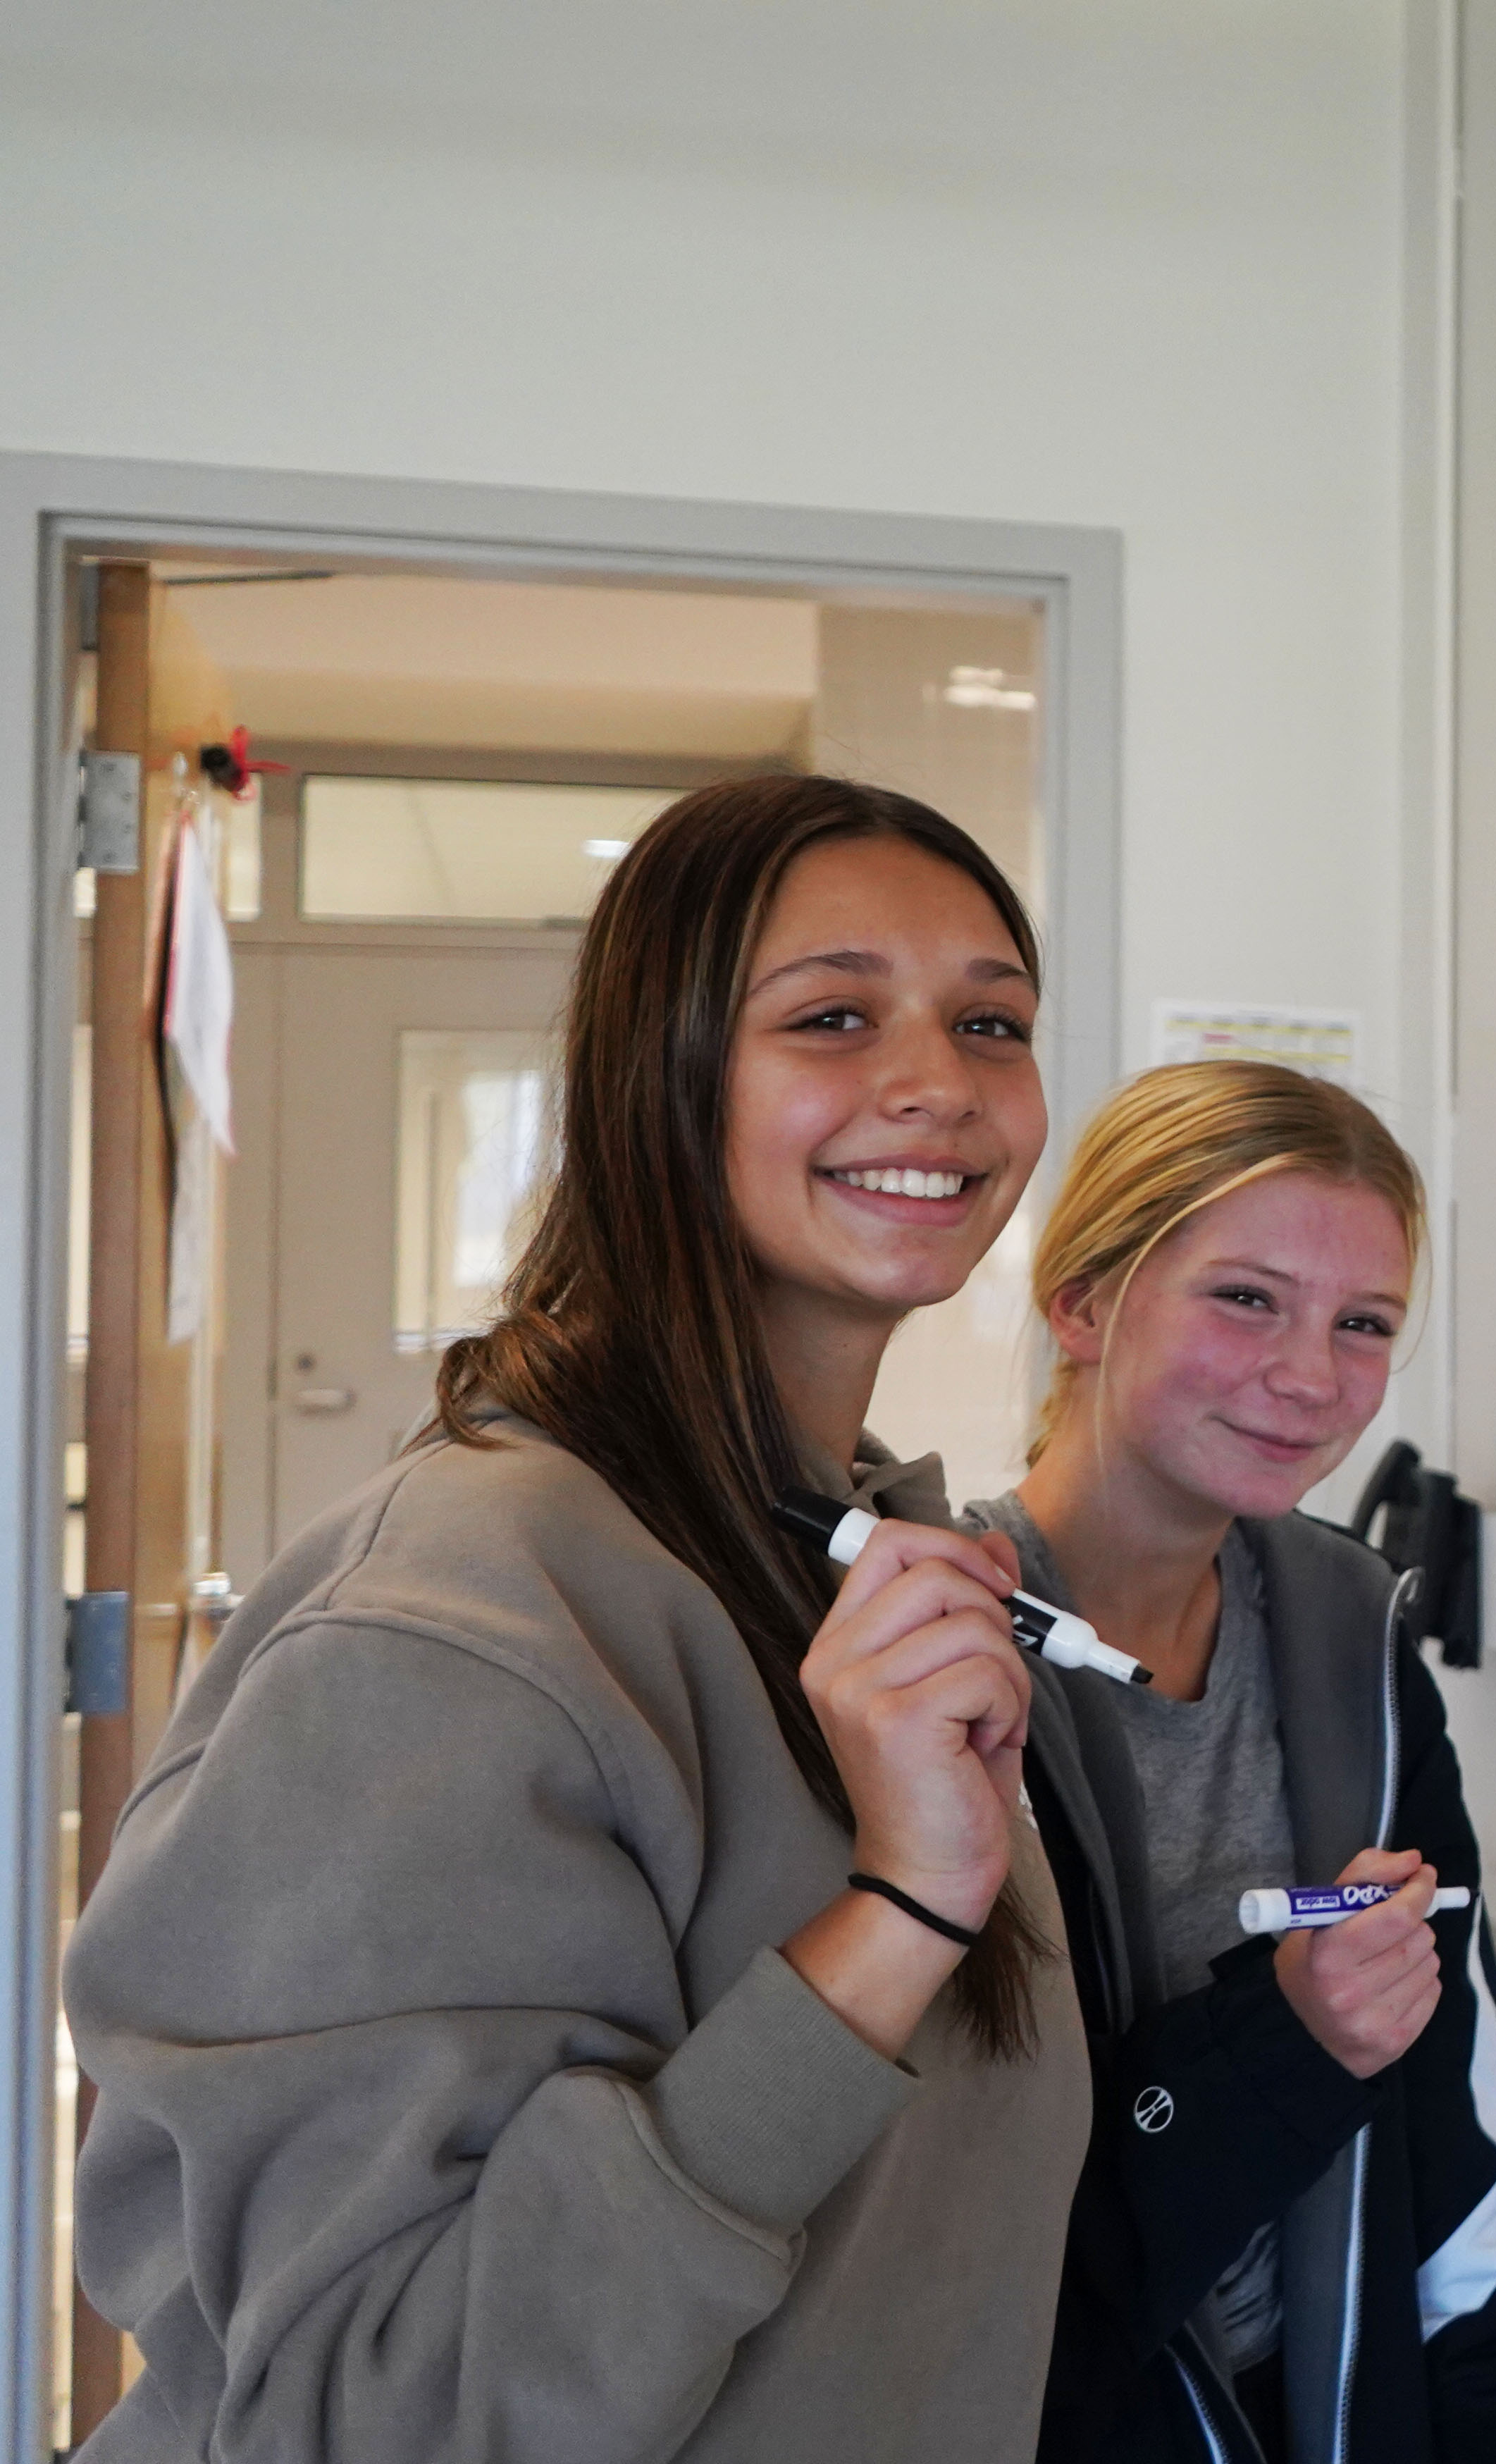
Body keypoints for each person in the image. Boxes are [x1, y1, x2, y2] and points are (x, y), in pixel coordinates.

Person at [65, 776, 1089, 2461]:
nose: (941, 1084)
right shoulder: (459, 1615)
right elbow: (382, 2408)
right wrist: (897, 1909)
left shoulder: (835, 1544)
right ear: (660, 1079)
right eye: (832, 1015)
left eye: (995, 1020)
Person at [973, 1061, 1496, 2464]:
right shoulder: (941, 1662)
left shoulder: (1348, 1643)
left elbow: (1470, 2167)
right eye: (1247, 1297)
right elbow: (988, 2260)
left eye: (1363, 1321)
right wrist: (1289, 2042)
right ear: (1082, 1302)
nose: (1312, 1375)